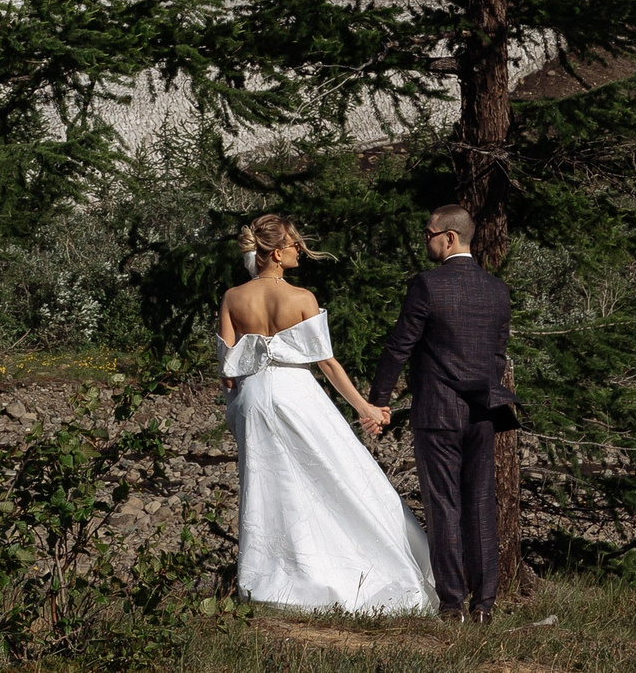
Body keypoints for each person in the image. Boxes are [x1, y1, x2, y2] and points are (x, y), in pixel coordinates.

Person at [216, 214, 439, 615]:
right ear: (277, 254)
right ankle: (349, 567)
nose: (300, 251)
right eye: (294, 245)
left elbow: (227, 369)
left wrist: (237, 410)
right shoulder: (301, 298)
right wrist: (365, 407)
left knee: (270, 486)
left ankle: (274, 579)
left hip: (253, 398)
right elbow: (328, 365)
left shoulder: (233, 298)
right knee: (335, 473)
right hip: (296, 395)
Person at [367, 204, 517, 622]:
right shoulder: (497, 290)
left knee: (444, 505)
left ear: (449, 237)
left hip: (437, 411)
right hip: (484, 411)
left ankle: (453, 604)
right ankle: (484, 604)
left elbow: (399, 346)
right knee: (481, 504)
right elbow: (498, 355)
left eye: (428, 233)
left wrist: (379, 399)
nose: (425, 239)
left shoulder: (428, 285)